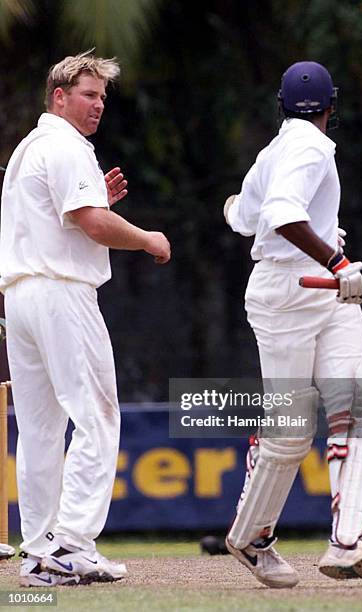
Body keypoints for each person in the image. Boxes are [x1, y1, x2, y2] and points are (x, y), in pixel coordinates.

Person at [0, 51, 170, 587]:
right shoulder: (68, 146)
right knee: (96, 416)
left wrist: (97, 202)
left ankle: (40, 551)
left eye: (101, 97)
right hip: (62, 295)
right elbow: (91, 223)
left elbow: (69, 215)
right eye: (88, 95)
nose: (98, 105)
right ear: (59, 97)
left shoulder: (31, 147)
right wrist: (147, 239)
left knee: (41, 430)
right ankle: (71, 542)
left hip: (22, 297)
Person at [223, 61, 362, 588]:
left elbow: (245, 217)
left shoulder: (272, 152)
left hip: (319, 293)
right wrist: (338, 264)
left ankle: (349, 540)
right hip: (293, 294)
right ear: (331, 106)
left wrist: (235, 207)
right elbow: (278, 212)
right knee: (291, 435)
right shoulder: (310, 146)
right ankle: (251, 537)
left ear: (280, 103)